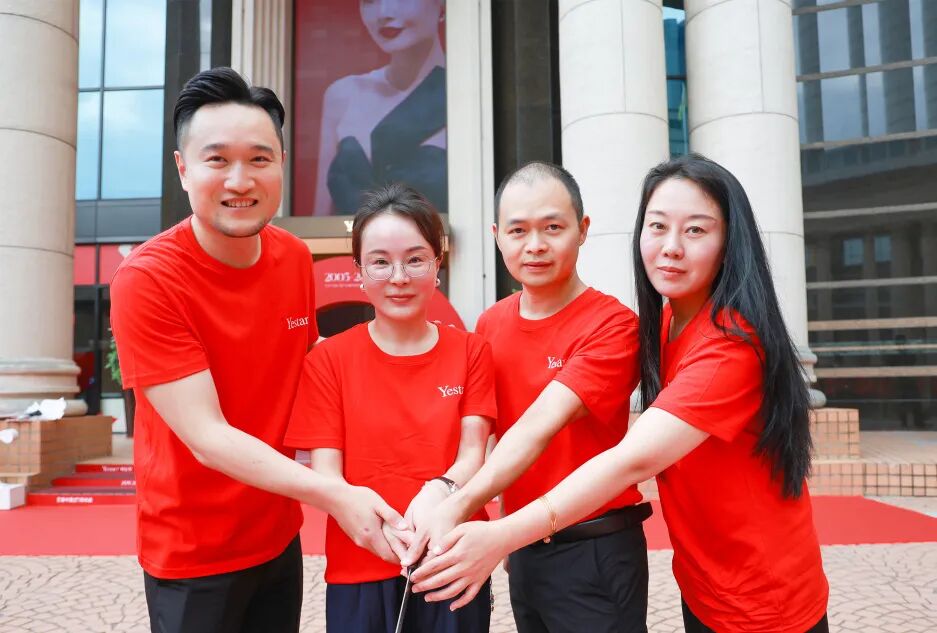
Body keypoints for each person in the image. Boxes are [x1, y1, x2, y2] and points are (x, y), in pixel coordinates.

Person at [410, 154, 831, 633]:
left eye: (696, 230)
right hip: (705, 583)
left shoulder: (728, 345)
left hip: (765, 598)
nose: (671, 248)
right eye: (658, 227)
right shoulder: (668, 322)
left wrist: (498, 533)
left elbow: (631, 460)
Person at [109, 67, 405, 633]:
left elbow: (308, 362)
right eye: (217, 160)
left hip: (276, 535)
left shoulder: (292, 256)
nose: (240, 180)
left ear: (282, 164)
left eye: (259, 159)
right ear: (183, 169)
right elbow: (208, 437)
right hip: (193, 555)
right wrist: (335, 493)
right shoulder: (148, 280)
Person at [406, 162, 650, 633]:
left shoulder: (613, 325)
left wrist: (456, 506)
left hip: (593, 549)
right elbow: (484, 435)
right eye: (518, 230)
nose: (534, 245)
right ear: (498, 236)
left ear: (582, 230)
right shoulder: (490, 324)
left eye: (552, 228)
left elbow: (538, 425)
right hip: (522, 546)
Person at [284, 183, 495, 632]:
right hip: (360, 564)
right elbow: (327, 476)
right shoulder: (328, 360)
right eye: (380, 262)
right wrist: (381, 534)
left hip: (451, 560)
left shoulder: (472, 351)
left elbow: (473, 454)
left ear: (437, 265)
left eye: (415, 259)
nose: (398, 277)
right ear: (360, 272)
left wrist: (440, 492)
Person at [314, 0, 447, 216]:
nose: (384, 12)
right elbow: (319, 221)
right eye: (370, 0)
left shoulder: (465, 95)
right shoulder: (342, 94)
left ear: (442, 5)